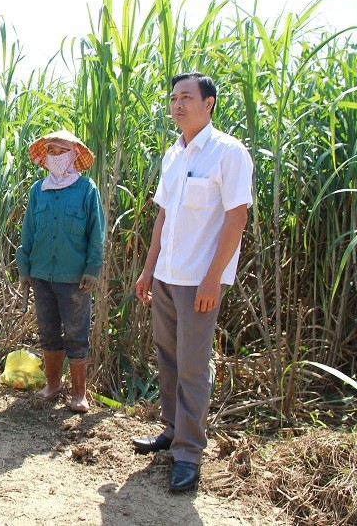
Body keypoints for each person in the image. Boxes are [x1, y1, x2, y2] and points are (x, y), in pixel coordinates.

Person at [132, 72, 253, 492]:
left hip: (199, 282)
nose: (177, 104)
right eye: (173, 98)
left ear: (210, 103)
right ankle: (171, 431)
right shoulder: (173, 155)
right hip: (166, 276)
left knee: (193, 367)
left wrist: (212, 279)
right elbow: (162, 216)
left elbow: (237, 216)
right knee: (168, 360)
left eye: (186, 97)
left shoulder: (227, 153)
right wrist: (149, 269)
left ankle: (188, 453)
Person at [16, 130, 105, 413]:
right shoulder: (37, 191)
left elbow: (96, 232)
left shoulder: (86, 189)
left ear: (74, 155)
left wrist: (93, 268)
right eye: (51, 152)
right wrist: (24, 268)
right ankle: (52, 386)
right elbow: (28, 232)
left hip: (74, 278)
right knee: (48, 331)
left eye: (61, 151)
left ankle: (79, 394)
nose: (55, 157)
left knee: (77, 334)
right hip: (42, 274)